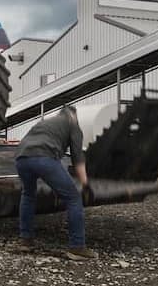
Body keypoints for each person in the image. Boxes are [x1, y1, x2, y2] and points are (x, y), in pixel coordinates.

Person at [14, 106, 96, 261]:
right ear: (73, 116)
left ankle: (25, 241)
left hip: (21, 157)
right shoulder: (73, 125)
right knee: (73, 199)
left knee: (28, 195)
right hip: (44, 157)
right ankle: (77, 248)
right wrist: (85, 184)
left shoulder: (45, 122)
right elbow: (77, 158)